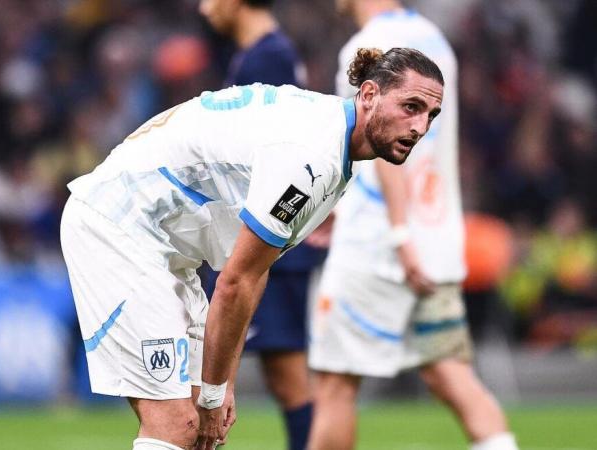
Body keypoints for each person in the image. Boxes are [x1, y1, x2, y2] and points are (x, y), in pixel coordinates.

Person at [60, 47, 444, 450]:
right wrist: (212, 393)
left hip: (164, 248)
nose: (420, 127)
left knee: (193, 430)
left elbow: (253, 272)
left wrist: (219, 386)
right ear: (368, 94)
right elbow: (235, 282)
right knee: (174, 422)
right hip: (117, 226)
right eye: (411, 107)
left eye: (430, 116)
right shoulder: (313, 158)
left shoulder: (331, 143)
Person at [307, 2, 519, 450]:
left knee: (335, 385)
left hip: (380, 244)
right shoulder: (436, 41)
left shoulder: (367, 50)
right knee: (451, 375)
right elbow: (428, 143)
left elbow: (383, 146)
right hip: (437, 238)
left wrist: (400, 235)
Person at [198, 1, 322, 448]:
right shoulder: (269, 52)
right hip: (269, 236)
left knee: (208, 370)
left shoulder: (266, 57)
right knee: (286, 378)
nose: (203, 7)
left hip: (262, 241)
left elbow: (270, 150)